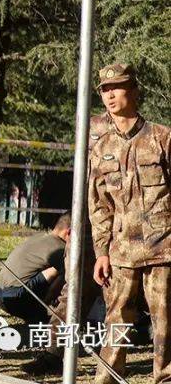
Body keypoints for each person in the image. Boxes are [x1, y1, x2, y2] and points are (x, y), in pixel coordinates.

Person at [88, 63, 171, 384]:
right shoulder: (102, 147)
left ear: (134, 91)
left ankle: (164, 378)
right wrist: (101, 252)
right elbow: (99, 206)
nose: (110, 95)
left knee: (164, 320)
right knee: (116, 319)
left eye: (117, 88)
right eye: (105, 90)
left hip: (163, 247)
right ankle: (108, 377)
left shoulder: (162, 138)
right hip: (120, 250)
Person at [0, 213, 70, 325]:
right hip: (16, 299)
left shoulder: (41, 236)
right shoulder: (60, 248)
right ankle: (38, 313)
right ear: (69, 232)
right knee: (65, 268)